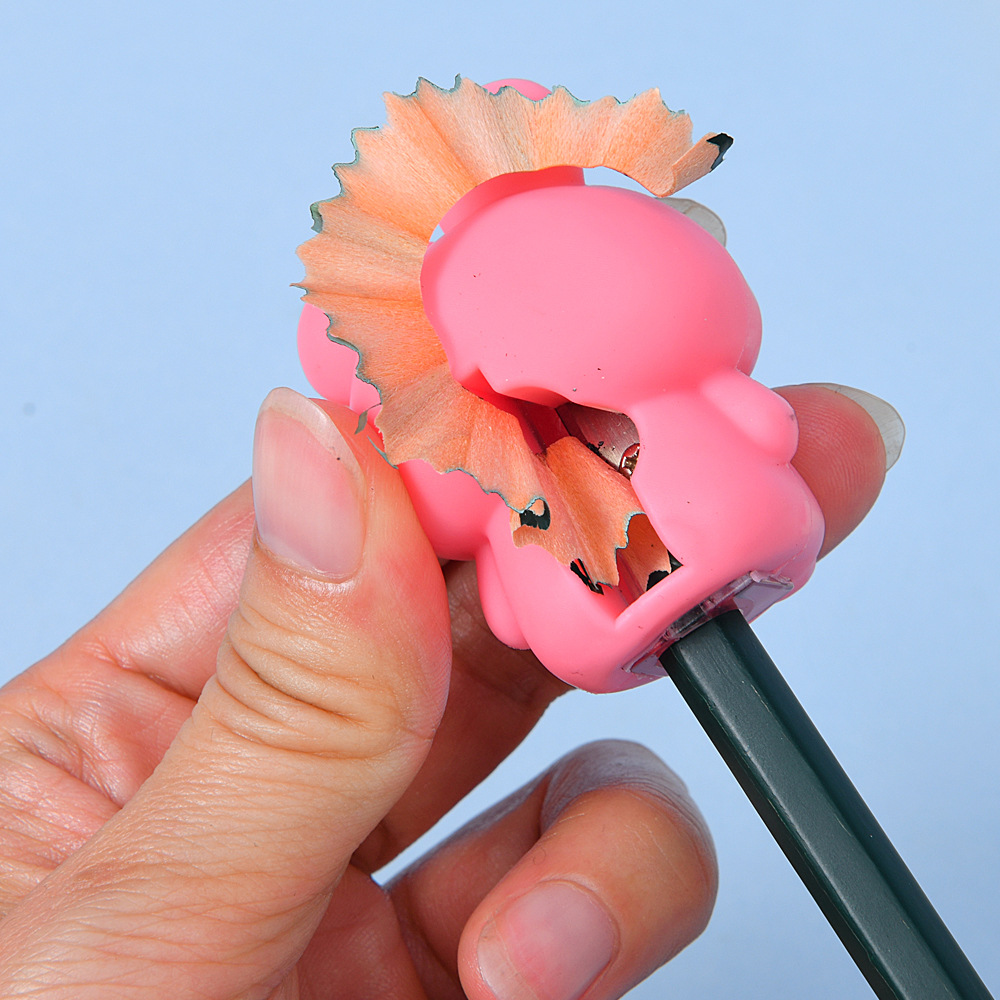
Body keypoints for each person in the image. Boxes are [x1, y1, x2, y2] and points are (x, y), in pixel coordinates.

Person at [0, 381, 898, 999]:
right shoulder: (437, 436)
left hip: (686, 534)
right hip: (569, 581)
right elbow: (499, 582)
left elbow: (747, 410)